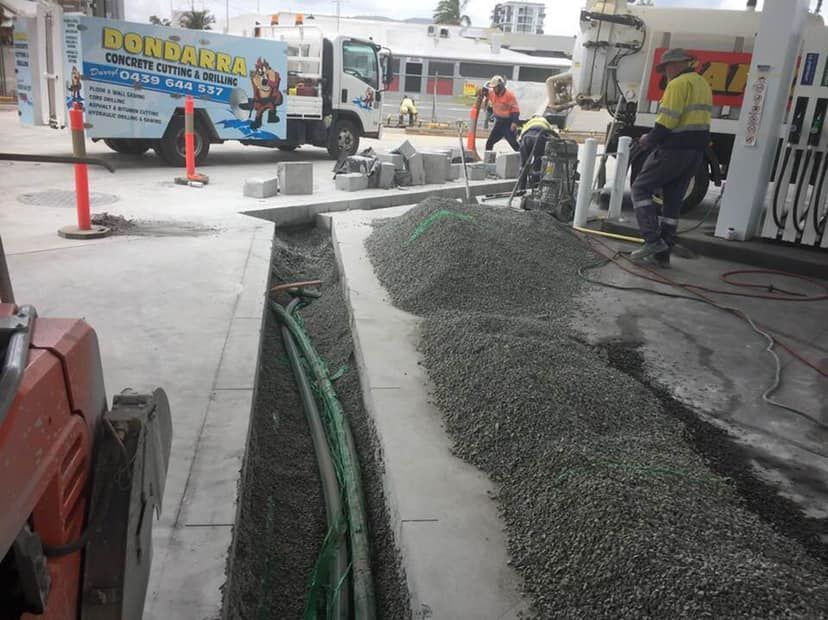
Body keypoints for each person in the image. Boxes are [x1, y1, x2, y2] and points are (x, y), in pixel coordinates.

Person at [630, 48, 712, 267]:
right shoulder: (702, 84)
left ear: (674, 65)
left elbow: (667, 122)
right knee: (673, 200)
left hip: (674, 149)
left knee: (640, 188)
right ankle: (663, 254)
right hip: (695, 153)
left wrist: (648, 139)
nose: (665, 73)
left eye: (665, 69)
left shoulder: (677, 84)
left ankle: (652, 241)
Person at [518, 113, 559, 190]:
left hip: (526, 138)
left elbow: (520, 140)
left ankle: (521, 188)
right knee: (538, 162)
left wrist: (524, 156)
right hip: (539, 137)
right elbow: (553, 135)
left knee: (524, 165)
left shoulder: (528, 123)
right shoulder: (545, 121)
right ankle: (535, 186)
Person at [483, 75, 520, 152]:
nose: (494, 89)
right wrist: (482, 90)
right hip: (499, 123)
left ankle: (523, 157)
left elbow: (515, 110)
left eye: (495, 87)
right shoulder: (492, 93)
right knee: (489, 143)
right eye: (493, 88)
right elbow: (485, 92)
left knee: (514, 144)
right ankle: (488, 158)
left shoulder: (509, 95)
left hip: (508, 124)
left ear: (501, 86)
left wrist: (514, 122)